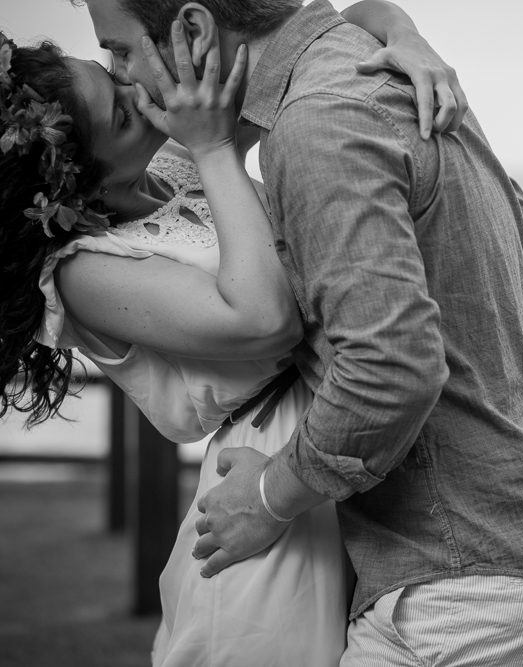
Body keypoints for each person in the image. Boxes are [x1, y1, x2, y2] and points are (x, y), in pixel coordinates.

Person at [88, 0, 523, 665]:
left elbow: (389, 368)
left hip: (465, 584)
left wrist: (268, 496)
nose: (121, 73)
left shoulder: (317, 122)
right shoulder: (386, 70)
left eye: (121, 49)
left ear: (194, 31)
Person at [0, 4, 469, 665]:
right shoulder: (83, 273)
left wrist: (407, 39)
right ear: (77, 182)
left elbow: (305, 38)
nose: (135, 86)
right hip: (263, 480)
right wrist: (216, 149)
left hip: (346, 445)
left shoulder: (176, 160)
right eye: (121, 115)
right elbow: (265, 319)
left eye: (114, 68)